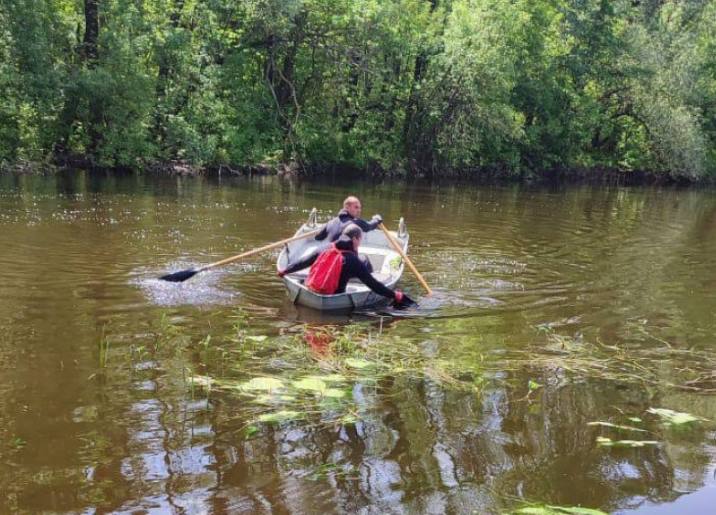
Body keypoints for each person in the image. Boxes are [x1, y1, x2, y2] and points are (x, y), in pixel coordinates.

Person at [278, 224, 406, 304]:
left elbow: (303, 262)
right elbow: (373, 285)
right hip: (335, 298)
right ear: (355, 239)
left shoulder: (324, 248)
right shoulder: (353, 261)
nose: (359, 243)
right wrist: (395, 295)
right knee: (365, 263)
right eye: (360, 240)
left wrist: (285, 271)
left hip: (311, 291)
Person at [315, 196, 383, 242]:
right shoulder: (356, 222)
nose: (359, 210)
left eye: (360, 208)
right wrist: (377, 220)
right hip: (345, 259)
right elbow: (369, 226)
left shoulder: (331, 222)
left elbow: (318, 237)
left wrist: (326, 228)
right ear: (347, 207)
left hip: (332, 257)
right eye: (356, 207)